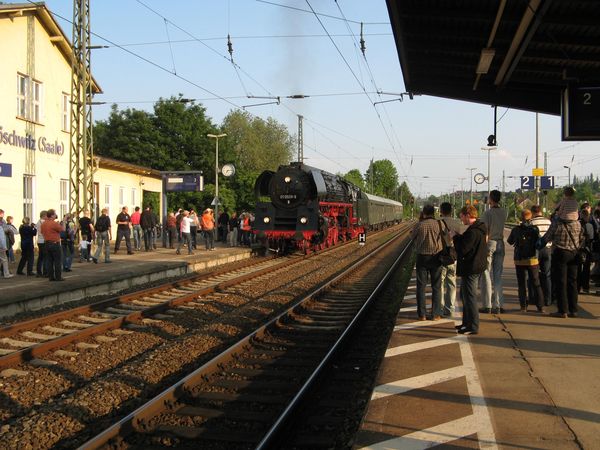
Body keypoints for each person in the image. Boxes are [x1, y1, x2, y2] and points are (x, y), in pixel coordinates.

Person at [540, 203, 586, 318]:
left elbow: (547, 237)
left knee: (561, 282)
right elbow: (582, 238)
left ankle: (562, 310)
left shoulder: (557, 224)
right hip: (574, 254)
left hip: (560, 253)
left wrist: (538, 245)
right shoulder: (578, 224)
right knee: (573, 281)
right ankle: (574, 309)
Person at [451, 206, 488, 335]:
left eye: (461, 216)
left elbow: (463, 249)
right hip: (474, 266)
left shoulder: (473, 231)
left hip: (472, 267)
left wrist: (455, 237)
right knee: (464, 295)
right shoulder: (478, 229)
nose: (461, 219)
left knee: (470, 297)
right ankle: (466, 323)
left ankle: (473, 326)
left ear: (467, 215)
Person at [410, 204, 443, 321]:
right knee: (436, 287)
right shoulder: (440, 224)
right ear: (433, 213)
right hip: (436, 257)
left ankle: (422, 315)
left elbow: (412, 237)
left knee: (421, 287)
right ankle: (435, 314)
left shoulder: (419, 225)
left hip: (422, 258)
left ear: (424, 213)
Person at [507, 209, 545, 312]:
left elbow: (510, 241)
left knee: (521, 283)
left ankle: (523, 306)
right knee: (536, 282)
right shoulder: (535, 229)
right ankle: (540, 306)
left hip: (519, 259)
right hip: (532, 259)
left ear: (521, 217)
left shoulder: (516, 229)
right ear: (530, 217)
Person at [479, 189, 507, 314]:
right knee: (498, 276)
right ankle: (499, 304)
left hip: (490, 243)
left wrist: (482, 247)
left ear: (490, 199)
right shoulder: (504, 212)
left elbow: (485, 232)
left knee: (486, 274)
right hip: (501, 243)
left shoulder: (487, 214)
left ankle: (487, 304)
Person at [439, 202, 464, 317]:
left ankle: (439, 308)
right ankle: (450, 309)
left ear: (441, 210)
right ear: (451, 210)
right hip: (453, 257)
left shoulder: (437, 223)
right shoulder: (458, 223)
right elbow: (464, 238)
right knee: (451, 283)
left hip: (440, 256)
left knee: (439, 283)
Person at [530, 205, 552, 305]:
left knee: (534, 275)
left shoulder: (532, 223)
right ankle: (548, 299)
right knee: (547, 275)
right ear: (540, 212)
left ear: (533, 213)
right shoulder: (548, 222)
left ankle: (535, 298)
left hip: (536, 251)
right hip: (548, 250)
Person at [41, 209, 66, 281]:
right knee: (57, 261)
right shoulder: (54, 223)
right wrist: (64, 221)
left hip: (46, 243)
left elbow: (42, 232)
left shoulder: (44, 224)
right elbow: (63, 229)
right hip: (55, 243)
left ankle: (51, 277)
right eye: (55, 214)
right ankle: (58, 277)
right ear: (52, 215)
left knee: (50, 261)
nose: (56, 215)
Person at [577, 208, 594, 293]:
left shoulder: (577, 224)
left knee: (578, 268)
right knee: (586, 269)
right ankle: (585, 287)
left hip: (578, 249)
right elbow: (591, 238)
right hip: (587, 249)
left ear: (581, 215)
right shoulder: (590, 226)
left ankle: (578, 286)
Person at [36, 210, 48, 277]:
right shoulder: (43, 222)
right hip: (43, 240)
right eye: (46, 216)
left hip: (40, 241)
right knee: (45, 257)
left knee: (40, 257)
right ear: (44, 216)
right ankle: (45, 272)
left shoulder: (38, 222)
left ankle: (39, 272)